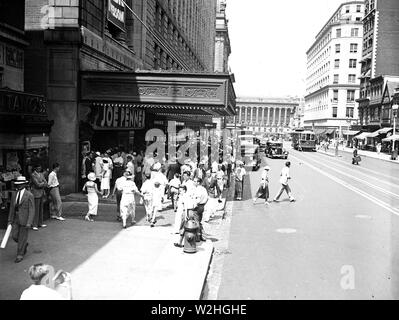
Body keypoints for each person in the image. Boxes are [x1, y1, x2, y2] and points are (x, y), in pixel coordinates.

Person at [7, 176, 35, 263]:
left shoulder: (29, 195)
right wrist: (9, 220)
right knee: (14, 236)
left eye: (20, 184)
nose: (18, 186)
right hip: (15, 218)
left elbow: (32, 209)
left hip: (25, 219)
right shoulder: (14, 194)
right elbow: (12, 208)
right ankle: (24, 244)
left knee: (22, 237)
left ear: (24, 184)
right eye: (17, 184)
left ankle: (20, 254)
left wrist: (29, 222)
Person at [30, 164, 48, 230]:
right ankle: (34, 224)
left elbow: (46, 182)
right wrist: (43, 183)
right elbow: (37, 184)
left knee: (41, 208)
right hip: (36, 193)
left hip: (41, 193)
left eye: (40, 168)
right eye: (38, 168)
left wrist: (42, 183)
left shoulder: (41, 174)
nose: (39, 169)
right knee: (36, 209)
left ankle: (40, 223)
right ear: (35, 168)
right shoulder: (33, 175)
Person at [191, 177, 208, 242]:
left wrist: (194, 206)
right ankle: (203, 235)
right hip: (202, 206)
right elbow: (207, 198)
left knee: (196, 222)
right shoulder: (203, 189)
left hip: (197, 206)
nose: (194, 182)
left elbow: (197, 200)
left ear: (198, 182)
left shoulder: (198, 189)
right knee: (199, 221)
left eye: (195, 181)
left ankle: (197, 236)